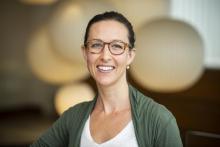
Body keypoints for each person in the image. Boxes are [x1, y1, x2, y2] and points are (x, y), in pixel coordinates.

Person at [31, 11, 183, 147]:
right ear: (85, 54)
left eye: (116, 46)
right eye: (96, 45)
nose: (105, 56)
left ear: (130, 56)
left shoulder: (159, 120)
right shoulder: (73, 116)